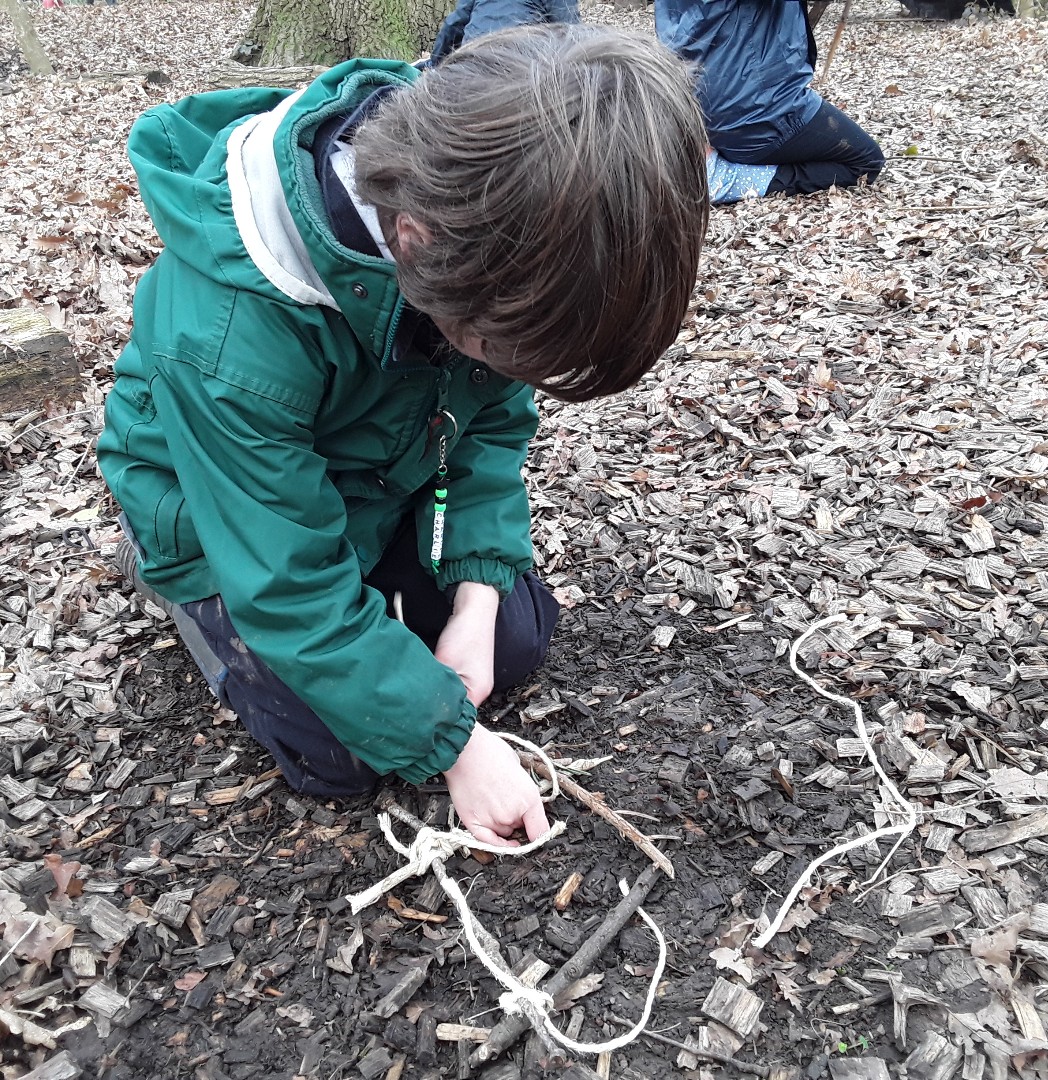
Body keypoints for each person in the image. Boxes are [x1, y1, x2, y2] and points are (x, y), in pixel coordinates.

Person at [97, 25, 709, 848]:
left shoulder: (498, 237)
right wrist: (455, 747)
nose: (509, 369)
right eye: (498, 350)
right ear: (414, 242)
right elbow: (286, 581)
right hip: (220, 515)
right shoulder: (230, 336)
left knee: (510, 643)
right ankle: (174, 585)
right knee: (343, 757)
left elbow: (487, 425)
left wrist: (477, 596)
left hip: (380, 474)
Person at [654, 0, 885, 203]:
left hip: (692, 106)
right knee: (866, 161)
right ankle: (726, 179)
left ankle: (707, 155)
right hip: (752, 109)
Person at [429, 0, 579, 64]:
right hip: (521, 65)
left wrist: (434, 64)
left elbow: (454, 24)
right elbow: (571, 31)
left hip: (471, 62)